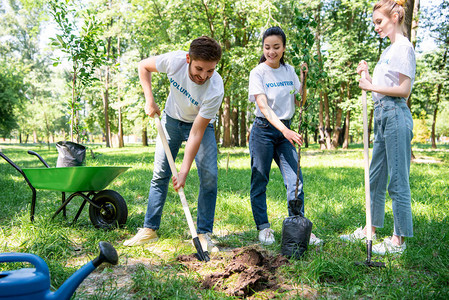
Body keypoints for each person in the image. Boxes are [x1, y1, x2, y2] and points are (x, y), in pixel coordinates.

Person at [124, 36, 224, 253]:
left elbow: (197, 132)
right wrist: (149, 99)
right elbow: (143, 66)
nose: (203, 76)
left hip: (200, 125)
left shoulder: (215, 88)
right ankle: (149, 229)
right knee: (160, 172)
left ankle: (204, 233)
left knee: (209, 175)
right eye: (199, 69)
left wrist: (184, 171)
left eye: (210, 71)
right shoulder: (174, 61)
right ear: (188, 59)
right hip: (170, 120)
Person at [340, 0, 415, 255]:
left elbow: (403, 91)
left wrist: (371, 86)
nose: (376, 27)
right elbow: (381, 90)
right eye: (374, 23)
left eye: (379, 22)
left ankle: (398, 241)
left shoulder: (403, 47)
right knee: (375, 177)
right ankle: (369, 229)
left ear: (395, 17)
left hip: (396, 114)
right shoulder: (389, 51)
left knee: (397, 179)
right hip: (382, 114)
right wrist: (368, 75)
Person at [248, 26, 322, 246]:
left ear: (283, 48)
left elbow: (300, 101)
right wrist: (285, 130)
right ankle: (264, 227)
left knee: (295, 180)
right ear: (263, 48)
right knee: (260, 179)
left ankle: (298, 225)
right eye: (267, 47)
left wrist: (303, 79)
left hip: (286, 130)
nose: (271, 51)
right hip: (263, 130)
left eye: (276, 47)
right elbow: (263, 106)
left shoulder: (289, 71)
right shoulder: (258, 72)